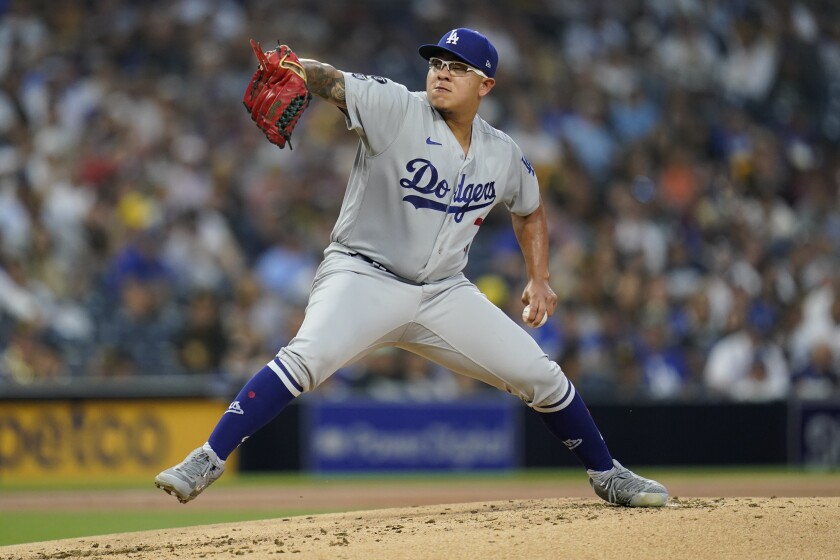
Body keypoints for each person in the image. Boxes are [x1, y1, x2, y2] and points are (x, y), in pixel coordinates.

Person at [155, 28, 668, 508]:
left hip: (444, 293)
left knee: (541, 375)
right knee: (305, 359)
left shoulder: (502, 153)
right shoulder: (396, 107)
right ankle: (209, 457)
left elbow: (529, 208)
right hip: (363, 275)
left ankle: (608, 475)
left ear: (486, 84)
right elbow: (331, 79)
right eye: (437, 63)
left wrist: (539, 277)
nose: (442, 72)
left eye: (458, 68)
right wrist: (296, 68)